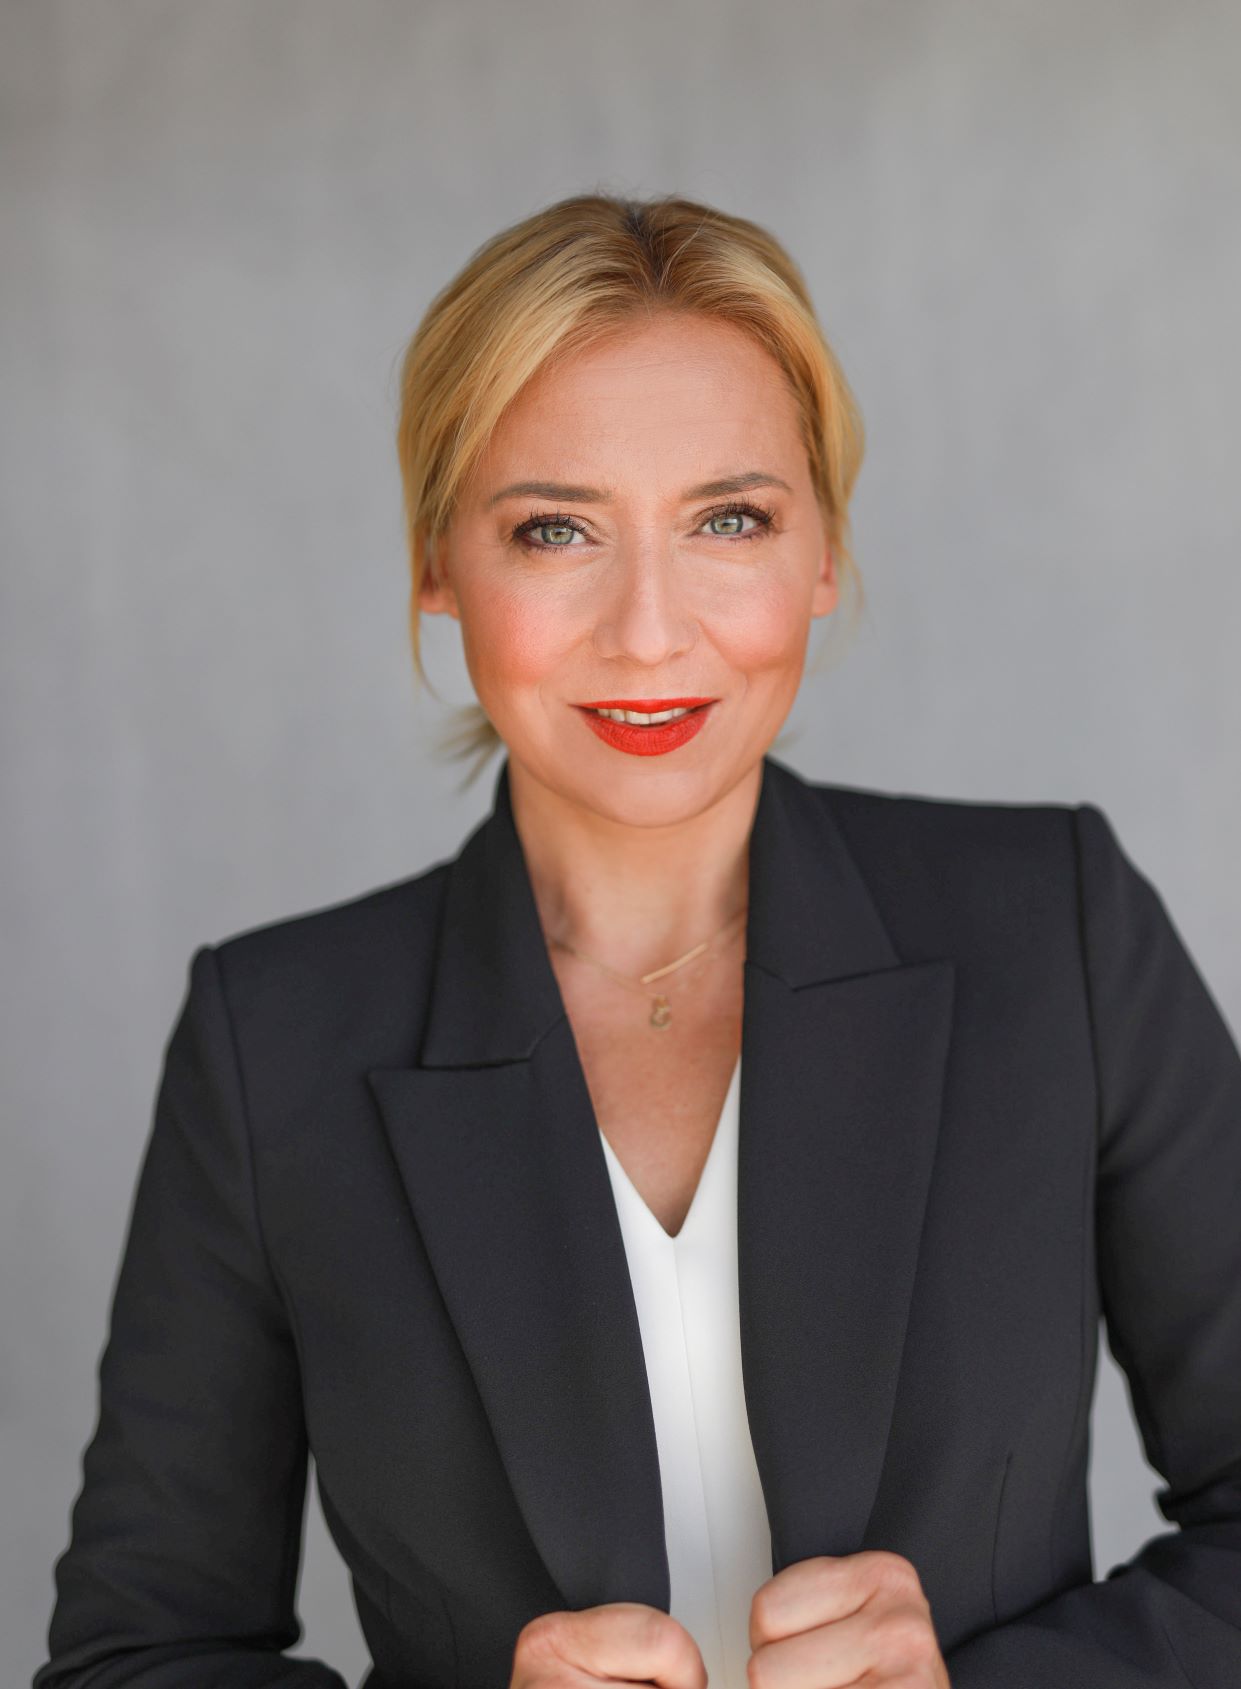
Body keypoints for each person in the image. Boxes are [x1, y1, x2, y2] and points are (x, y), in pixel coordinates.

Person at [34, 192, 1241, 1689]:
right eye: (555, 529)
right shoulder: (270, 1041)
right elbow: (134, 1657)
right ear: (435, 563)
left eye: (729, 519)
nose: (651, 631)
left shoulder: (1056, 931)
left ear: (821, 551)